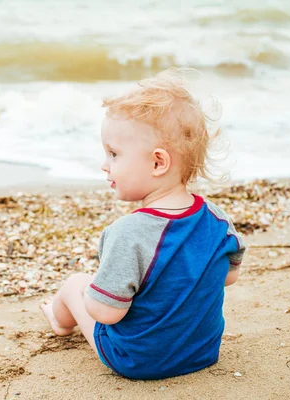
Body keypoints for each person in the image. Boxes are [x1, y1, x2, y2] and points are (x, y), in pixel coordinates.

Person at [40, 69, 245, 380]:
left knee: (75, 284)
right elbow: (229, 277)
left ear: (157, 162)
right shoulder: (217, 220)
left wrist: (93, 294)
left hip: (136, 361)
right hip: (202, 352)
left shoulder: (128, 234)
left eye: (114, 154)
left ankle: (59, 321)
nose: (104, 164)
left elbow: (107, 313)